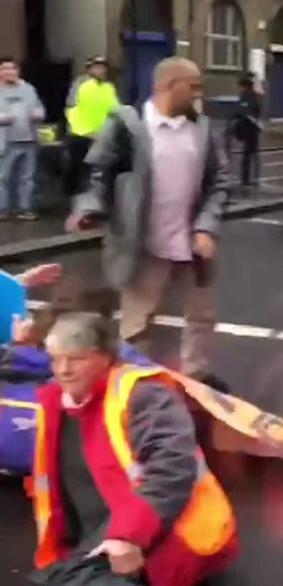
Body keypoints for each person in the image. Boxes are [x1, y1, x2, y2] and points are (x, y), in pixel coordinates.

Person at [28, 312, 237, 586]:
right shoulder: (55, 402)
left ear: (105, 357)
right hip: (92, 546)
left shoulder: (144, 396)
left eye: (76, 358)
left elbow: (171, 470)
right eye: (56, 358)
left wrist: (126, 535)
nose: (63, 369)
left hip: (157, 541)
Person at [65, 57, 228, 387]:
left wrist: (205, 226)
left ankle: (193, 383)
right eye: (193, 86)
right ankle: (136, 386)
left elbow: (219, 180)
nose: (200, 94)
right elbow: (99, 174)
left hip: (192, 245)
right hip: (143, 245)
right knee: (137, 323)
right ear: (167, 86)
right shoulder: (127, 125)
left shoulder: (203, 128)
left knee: (202, 318)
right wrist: (89, 208)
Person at [64, 56, 119, 197]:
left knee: (99, 171)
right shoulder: (80, 85)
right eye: (97, 67)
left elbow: (116, 109)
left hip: (102, 136)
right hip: (81, 135)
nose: (101, 70)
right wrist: (85, 131)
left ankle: (95, 201)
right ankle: (72, 200)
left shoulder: (108, 87)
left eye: (103, 67)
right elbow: (71, 109)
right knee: (77, 169)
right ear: (89, 69)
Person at [0, 56, 45, 220]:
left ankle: (25, 208)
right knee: (3, 177)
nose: (9, 72)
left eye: (12, 68)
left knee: (27, 177)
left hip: (29, 140)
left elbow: (39, 107)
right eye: (5, 69)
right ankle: (3, 209)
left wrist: (39, 114)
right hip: (5, 142)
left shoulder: (28, 89)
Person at [232, 72, 262, 192]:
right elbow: (255, 109)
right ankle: (252, 178)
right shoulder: (252, 94)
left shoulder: (246, 94)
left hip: (249, 126)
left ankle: (247, 178)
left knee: (248, 154)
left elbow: (243, 110)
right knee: (251, 153)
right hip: (252, 126)